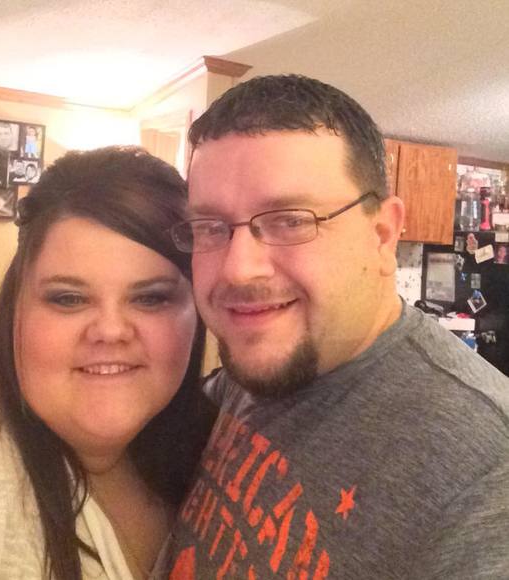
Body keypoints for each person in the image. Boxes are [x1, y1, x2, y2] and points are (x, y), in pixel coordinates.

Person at [157, 75, 509, 578]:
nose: (238, 270)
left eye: (291, 220)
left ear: (382, 235)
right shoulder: (252, 367)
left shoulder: (486, 475)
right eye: (211, 227)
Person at [0, 146, 215, 579]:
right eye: (69, 298)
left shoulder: (218, 439)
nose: (111, 330)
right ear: (16, 305)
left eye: (151, 298)